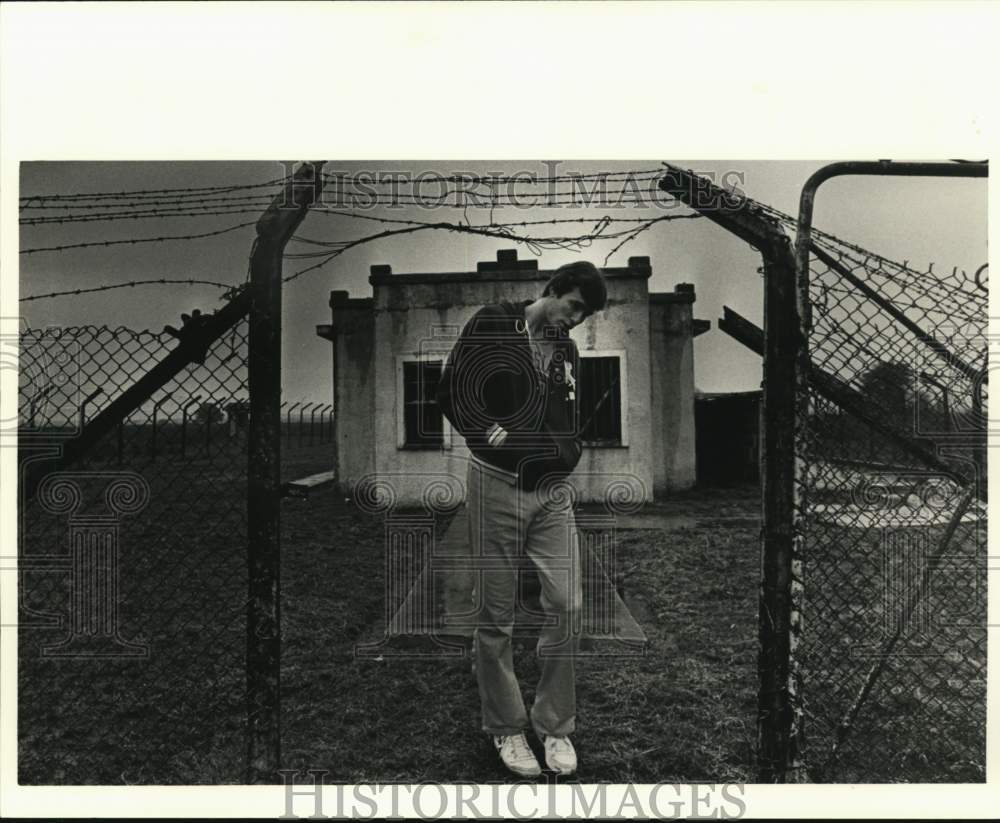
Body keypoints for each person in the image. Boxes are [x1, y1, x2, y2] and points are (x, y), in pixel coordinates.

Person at [435, 260, 608, 778]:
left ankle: (555, 727)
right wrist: (489, 433)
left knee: (567, 604)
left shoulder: (568, 352)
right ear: (553, 290)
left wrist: (568, 449)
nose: (576, 320)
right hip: (494, 484)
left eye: (586, 314)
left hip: (551, 492)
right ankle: (507, 727)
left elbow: (567, 417)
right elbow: (453, 393)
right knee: (495, 614)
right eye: (575, 306)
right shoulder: (492, 323)